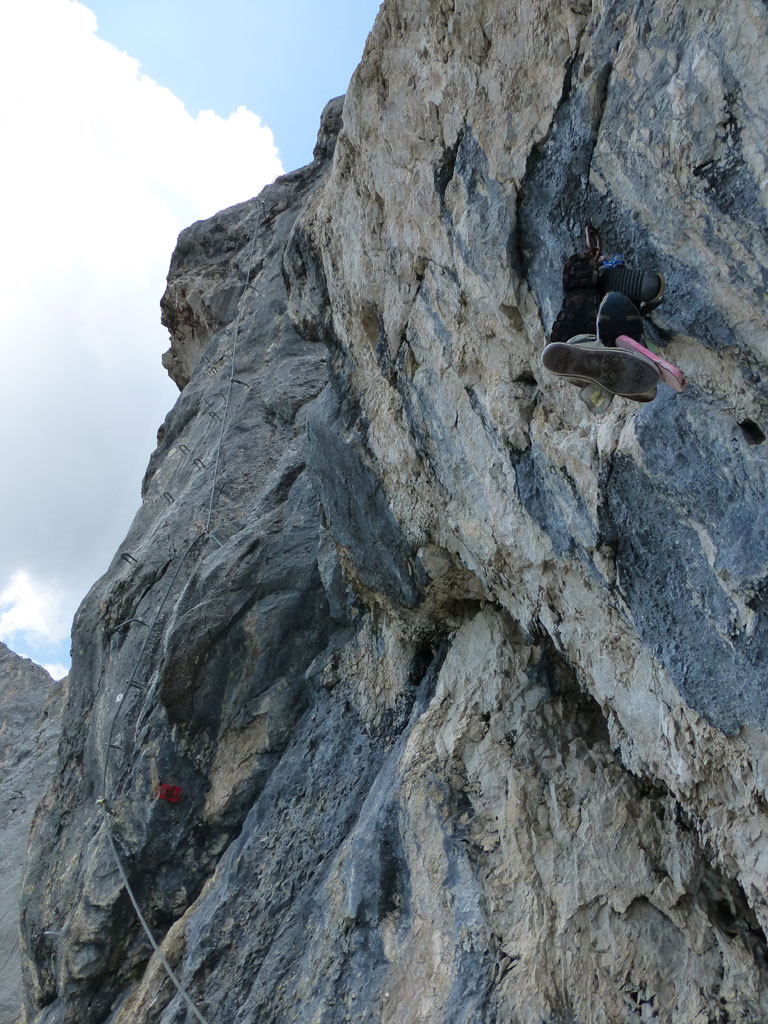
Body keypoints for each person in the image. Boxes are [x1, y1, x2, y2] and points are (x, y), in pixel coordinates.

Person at [540, 226, 685, 413]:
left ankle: (596, 346)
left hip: (595, 328)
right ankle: (598, 344)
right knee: (628, 299)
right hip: (601, 322)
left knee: (625, 303)